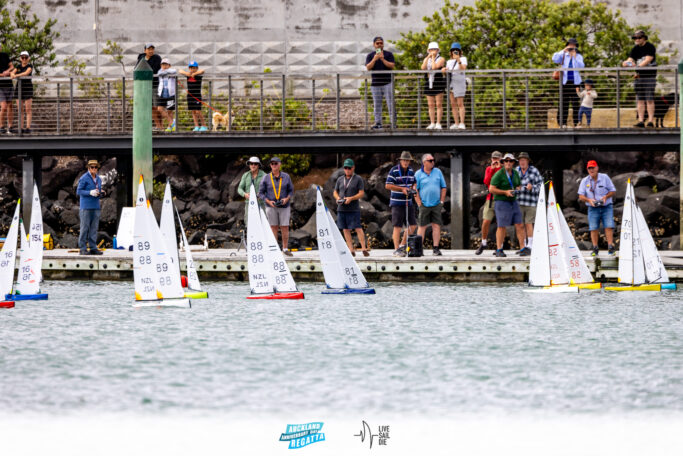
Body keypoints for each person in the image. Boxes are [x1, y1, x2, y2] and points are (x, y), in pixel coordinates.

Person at [488, 153, 527, 258]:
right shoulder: (499, 174)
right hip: (501, 202)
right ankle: (499, 249)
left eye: (510, 161)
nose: (508, 163)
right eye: (506, 161)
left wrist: (520, 189)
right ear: (503, 162)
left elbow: (518, 185)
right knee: (502, 226)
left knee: (520, 224)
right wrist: (505, 192)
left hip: (513, 201)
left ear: (514, 163)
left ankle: (523, 248)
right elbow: (491, 189)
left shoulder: (515, 173)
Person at [578, 160, 616, 256]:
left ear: (597, 168)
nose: (591, 170)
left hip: (606, 206)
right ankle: (595, 248)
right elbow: (581, 196)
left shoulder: (605, 177)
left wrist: (605, 197)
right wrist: (589, 200)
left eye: (593, 167)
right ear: (587, 169)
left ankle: (610, 247)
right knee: (593, 228)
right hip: (592, 208)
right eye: (589, 168)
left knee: (608, 226)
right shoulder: (584, 181)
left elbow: (613, 191)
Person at [258, 157, 294, 256]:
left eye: (276, 163)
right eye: (272, 164)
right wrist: (268, 201)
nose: (274, 165)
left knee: (285, 227)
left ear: (280, 164)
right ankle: (275, 249)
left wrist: (286, 199)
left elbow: (291, 190)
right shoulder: (266, 177)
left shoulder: (286, 176)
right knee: (273, 227)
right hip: (270, 206)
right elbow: (260, 193)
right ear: (270, 165)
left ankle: (285, 248)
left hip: (284, 206)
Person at [333, 158, 370, 257]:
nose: (347, 170)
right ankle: (351, 249)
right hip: (341, 208)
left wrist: (351, 198)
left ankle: (363, 248)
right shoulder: (340, 179)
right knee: (345, 229)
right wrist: (338, 198)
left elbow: (361, 193)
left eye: (349, 168)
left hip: (353, 208)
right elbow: (335, 192)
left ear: (353, 168)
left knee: (358, 227)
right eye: (345, 168)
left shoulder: (358, 179)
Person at [385, 151, 417, 257]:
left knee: (413, 225)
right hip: (397, 203)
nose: (406, 162)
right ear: (400, 160)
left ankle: (402, 245)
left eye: (407, 160)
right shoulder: (394, 170)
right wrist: (401, 189)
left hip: (408, 202)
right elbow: (388, 185)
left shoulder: (411, 171)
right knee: (397, 226)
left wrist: (413, 189)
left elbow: (414, 183)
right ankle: (396, 249)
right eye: (404, 160)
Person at [622, 30, 657, 128]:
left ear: (644, 38)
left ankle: (650, 121)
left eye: (639, 37)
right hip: (639, 77)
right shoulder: (635, 49)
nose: (637, 39)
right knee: (640, 100)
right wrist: (627, 63)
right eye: (635, 38)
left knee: (649, 99)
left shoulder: (650, 47)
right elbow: (628, 61)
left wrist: (636, 66)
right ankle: (641, 121)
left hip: (649, 76)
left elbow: (648, 60)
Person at [414, 154, 447, 256]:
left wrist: (441, 201)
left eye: (433, 160)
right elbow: (415, 189)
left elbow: (444, 187)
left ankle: (436, 248)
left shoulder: (438, 172)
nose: (433, 162)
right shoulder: (418, 174)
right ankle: (419, 249)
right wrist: (419, 202)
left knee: (436, 226)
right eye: (430, 160)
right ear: (424, 162)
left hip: (437, 204)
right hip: (424, 204)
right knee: (422, 226)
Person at [552, 38, 584, 128]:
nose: (571, 47)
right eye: (570, 45)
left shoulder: (578, 56)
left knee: (575, 103)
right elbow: (554, 59)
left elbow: (581, 66)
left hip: (575, 82)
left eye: (573, 46)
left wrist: (574, 56)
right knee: (563, 103)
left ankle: (577, 123)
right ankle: (562, 123)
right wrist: (563, 51)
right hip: (565, 82)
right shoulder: (563, 55)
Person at [515, 152, 543, 255]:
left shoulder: (534, 171)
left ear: (528, 161)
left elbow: (541, 185)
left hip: (531, 202)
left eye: (524, 160)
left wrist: (533, 188)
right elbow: (511, 186)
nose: (522, 162)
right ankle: (523, 247)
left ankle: (530, 246)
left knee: (528, 223)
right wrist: (515, 188)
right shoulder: (516, 171)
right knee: (519, 225)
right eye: (520, 160)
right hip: (519, 202)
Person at [365, 36, 395, 130]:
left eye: (381, 43)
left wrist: (382, 59)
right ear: (374, 45)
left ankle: (393, 123)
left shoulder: (389, 54)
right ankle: (378, 123)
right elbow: (368, 68)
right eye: (377, 43)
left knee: (390, 103)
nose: (379, 45)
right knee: (377, 104)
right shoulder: (370, 55)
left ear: (383, 44)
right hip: (375, 84)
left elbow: (391, 66)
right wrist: (374, 59)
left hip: (387, 83)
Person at [76, 160, 105, 255]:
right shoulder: (84, 178)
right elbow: (79, 191)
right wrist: (89, 192)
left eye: (95, 167)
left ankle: (93, 248)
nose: (94, 169)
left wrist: (101, 193)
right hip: (86, 207)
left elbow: (98, 191)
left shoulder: (99, 179)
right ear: (88, 168)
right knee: (84, 228)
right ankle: (82, 248)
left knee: (94, 228)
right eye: (92, 167)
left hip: (96, 207)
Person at [475, 151, 502, 255]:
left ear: (501, 159)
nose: (495, 160)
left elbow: (502, 181)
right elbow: (486, 182)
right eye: (494, 158)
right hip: (490, 198)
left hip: (501, 198)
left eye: (497, 159)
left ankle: (500, 246)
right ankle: (483, 242)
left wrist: (499, 168)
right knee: (485, 220)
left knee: (500, 223)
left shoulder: (504, 169)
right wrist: (492, 169)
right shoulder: (488, 169)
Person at [136, 44, 163, 130]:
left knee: (157, 106)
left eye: (152, 49)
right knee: (150, 107)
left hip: (155, 85)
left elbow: (154, 70)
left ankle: (162, 126)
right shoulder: (141, 58)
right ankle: (158, 126)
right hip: (145, 86)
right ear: (145, 50)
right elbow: (137, 68)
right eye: (149, 49)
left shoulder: (157, 58)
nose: (151, 51)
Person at [421, 42, 446, 130]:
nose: (433, 51)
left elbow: (434, 67)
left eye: (434, 49)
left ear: (438, 50)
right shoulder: (426, 59)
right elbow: (423, 68)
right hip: (429, 82)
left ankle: (438, 123)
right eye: (431, 49)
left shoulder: (441, 59)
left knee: (439, 104)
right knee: (430, 104)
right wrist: (428, 57)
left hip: (438, 82)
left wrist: (433, 57)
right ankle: (432, 122)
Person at [443, 42, 467, 129]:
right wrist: (444, 71)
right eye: (453, 50)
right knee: (453, 104)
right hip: (451, 83)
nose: (455, 52)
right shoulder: (449, 61)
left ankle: (462, 123)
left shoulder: (463, 59)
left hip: (459, 82)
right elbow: (448, 73)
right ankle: (456, 123)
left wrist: (458, 60)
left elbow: (462, 69)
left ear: (460, 52)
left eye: (457, 51)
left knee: (460, 103)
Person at [178, 61, 208, 132]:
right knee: (193, 111)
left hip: (197, 96)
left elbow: (203, 71)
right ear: (189, 68)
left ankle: (204, 125)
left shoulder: (198, 75)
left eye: (194, 68)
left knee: (198, 111)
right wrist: (187, 74)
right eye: (191, 68)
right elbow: (180, 71)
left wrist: (195, 74)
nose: (192, 69)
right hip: (190, 96)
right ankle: (196, 126)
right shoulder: (188, 75)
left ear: (197, 68)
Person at [10, 51, 33, 133]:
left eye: (25, 57)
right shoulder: (18, 66)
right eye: (22, 57)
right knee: (20, 109)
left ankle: (28, 127)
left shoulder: (30, 66)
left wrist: (15, 76)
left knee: (28, 109)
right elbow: (12, 72)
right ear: (20, 58)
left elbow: (26, 73)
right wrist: (12, 73)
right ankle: (21, 128)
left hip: (27, 89)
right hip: (19, 89)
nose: (24, 59)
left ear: (28, 58)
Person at [237, 156, 266, 223]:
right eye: (251, 163)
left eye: (255, 164)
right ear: (249, 165)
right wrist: (244, 194)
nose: (253, 165)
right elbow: (239, 188)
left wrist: (261, 194)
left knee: (263, 223)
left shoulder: (265, 175)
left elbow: (269, 189)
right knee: (249, 223)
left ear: (258, 165)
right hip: (249, 204)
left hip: (261, 204)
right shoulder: (245, 175)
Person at [157, 58, 177, 132]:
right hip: (162, 93)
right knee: (160, 109)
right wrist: (166, 72)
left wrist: (166, 71)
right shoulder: (160, 71)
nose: (164, 66)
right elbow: (159, 73)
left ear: (169, 65)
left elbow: (174, 71)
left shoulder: (172, 71)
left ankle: (169, 127)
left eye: (166, 64)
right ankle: (172, 123)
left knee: (170, 111)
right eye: (163, 64)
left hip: (170, 94)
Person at [0, 46, 14, 135]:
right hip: (0, 86)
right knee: (4, 106)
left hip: (9, 84)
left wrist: (7, 72)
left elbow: (12, 66)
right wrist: (2, 74)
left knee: (10, 106)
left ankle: (10, 126)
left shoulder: (5, 55)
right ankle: (1, 126)